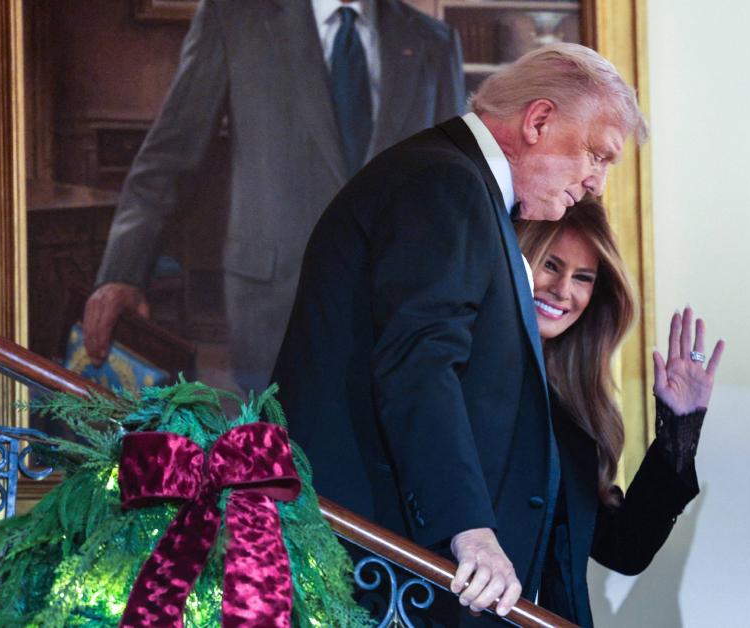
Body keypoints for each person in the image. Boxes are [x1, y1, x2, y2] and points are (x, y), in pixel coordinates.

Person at [268, 43, 647, 622]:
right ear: (539, 121)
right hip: (373, 565)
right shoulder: (446, 181)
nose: (596, 182)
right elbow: (418, 362)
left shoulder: (458, 182)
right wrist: (469, 530)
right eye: (596, 155)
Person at [83, 0, 465, 390]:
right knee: (280, 428)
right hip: (276, 306)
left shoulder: (433, 41)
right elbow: (169, 158)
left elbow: (455, 189)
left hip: (401, 310)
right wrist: (122, 273)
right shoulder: (234, 18)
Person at [515, 198, 724, 625]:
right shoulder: (468, 378)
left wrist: (678, 428)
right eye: (551, 265)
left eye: (583, 277)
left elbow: (625, 548)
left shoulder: (571, 414)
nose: (563, 290)